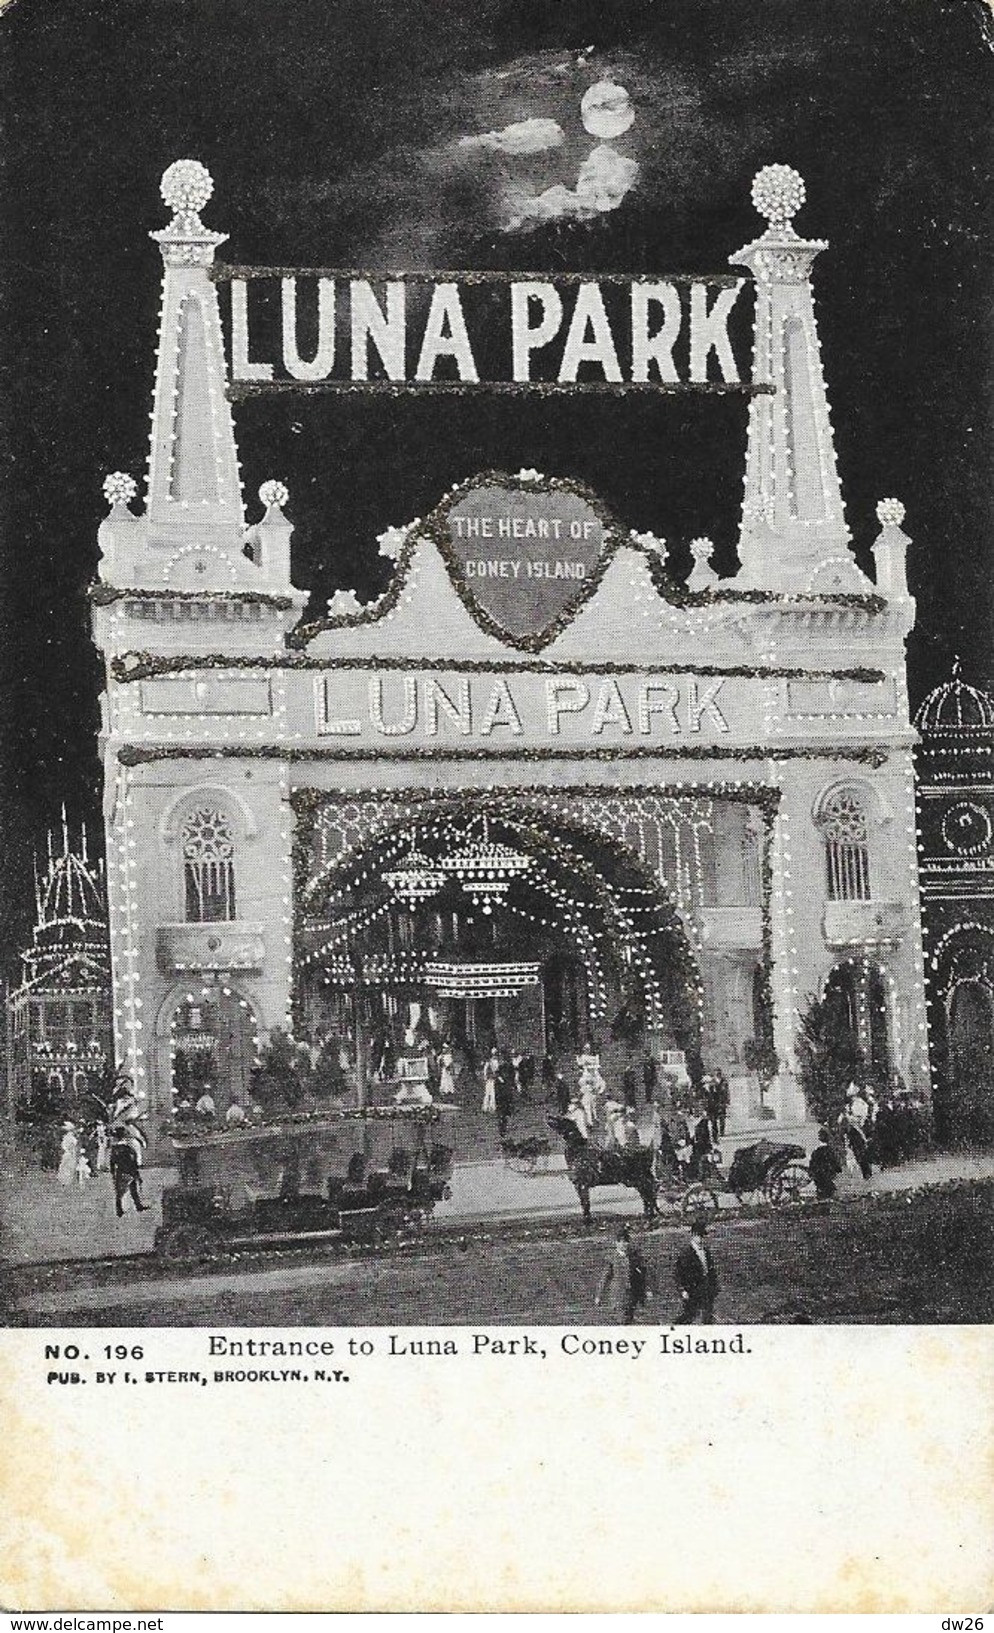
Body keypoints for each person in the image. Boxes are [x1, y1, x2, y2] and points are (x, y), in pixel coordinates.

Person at [595, 1225, 652, 1324]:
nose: (624, 1244)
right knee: (622, 1320)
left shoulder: (634, 1258)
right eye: (621, 1242)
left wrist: (647, 1290)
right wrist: (599, 1296)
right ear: (616, 1243)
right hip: (618, 1295)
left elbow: (642, 1275)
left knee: (630, 1319)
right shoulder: (612, 1258)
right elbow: (604, 1278)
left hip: (632, 1294)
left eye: (626, 1241)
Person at [674, 1216, 719, 1324]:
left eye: (704, 1236)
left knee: (707, 1314)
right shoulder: (686, 1253)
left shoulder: (706, 1251)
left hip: (706, 1289)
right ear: (693, 1236)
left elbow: (710, 1270)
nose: (702, 1239)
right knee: (690, 1315)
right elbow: (679, 1273)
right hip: (692, 1290)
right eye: (700, 1236)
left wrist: (714, 1285)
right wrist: (683, 1290)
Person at [109, 1127, 148, 1217]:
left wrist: (113, 1172)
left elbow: (112, 1162)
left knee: (120, 1191)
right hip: (129, 1170)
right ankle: (138, 1206)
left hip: (119, 1171)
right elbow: (132, 1161)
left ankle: (119, 1209)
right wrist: (136, 1173)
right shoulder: (127, 1149)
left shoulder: (114, 1149)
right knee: (133, 1189)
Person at [808, 1127, 843, 1200]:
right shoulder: (830, 1151)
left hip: (818, 1175)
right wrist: (838, 1169)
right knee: (829, 1189)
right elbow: (835, 1163)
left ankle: (821, 1198)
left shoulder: (816, 1151)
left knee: (821, 1188)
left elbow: (812, 1163)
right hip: (827, 1174)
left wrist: (811, 1173)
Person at [57, 1122, 79, 1187]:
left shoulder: (65, 1138)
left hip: (66, 1153)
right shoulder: (72, 1138)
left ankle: (64, 1180)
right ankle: (68, 1181)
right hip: (71, 1153)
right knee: (70, 1167)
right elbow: (75, 1146)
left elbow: (63, 1146)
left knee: (64, 1166)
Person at [481, 1048, 499, 1114]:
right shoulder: (489, 1061)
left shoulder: (496, 1061)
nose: (494, 1055)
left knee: (492, 1093)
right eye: (494, 1054)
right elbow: (485, 1070)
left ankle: (492, 1107)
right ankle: (486, 1107)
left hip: (493, 1079)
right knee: (488, 1093)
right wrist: (485, 1077)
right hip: (489, 1079)